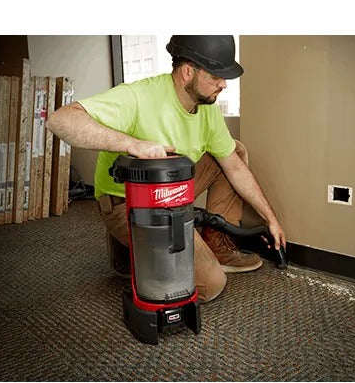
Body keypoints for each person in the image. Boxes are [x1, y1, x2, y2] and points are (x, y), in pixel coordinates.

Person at [46, 35, 286, 303]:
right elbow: (60, 120)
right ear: (187, 72)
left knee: (233, 152)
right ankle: (131, 244)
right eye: (215, 76)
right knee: (210, 284)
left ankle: (216, 246)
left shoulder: (206, 108)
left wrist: (270, 219)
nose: (224, 84)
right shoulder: (139, 96)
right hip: (129, 202)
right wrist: (133, 144)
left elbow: (235, 168)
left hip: (170, 191)